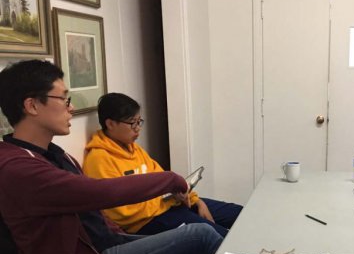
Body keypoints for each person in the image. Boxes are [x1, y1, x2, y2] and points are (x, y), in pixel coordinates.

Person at [0, 60, 223, 254]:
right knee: (199, 235)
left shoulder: (55, 154)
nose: (71, 108)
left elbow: (93, 218)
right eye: (63, 99)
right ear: (32, 105)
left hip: (104, 252)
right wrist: (170, 179)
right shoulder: (17, 168)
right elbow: (98, 193)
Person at [82, 93, 242, 238]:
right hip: (147, 222)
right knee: (220, 238)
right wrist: (166, 200)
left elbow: (162, 179)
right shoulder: (99, 159)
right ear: (110, 124)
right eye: (132, 124)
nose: (138, 129)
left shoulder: (133, 149)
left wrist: (196, 201)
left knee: (240, 213)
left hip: (170, 205)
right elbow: (123, 213)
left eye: (139, 122)